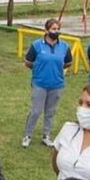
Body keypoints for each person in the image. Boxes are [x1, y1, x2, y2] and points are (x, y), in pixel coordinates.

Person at [22, 18, 73, 148]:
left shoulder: (65, 46)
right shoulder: (37, 45)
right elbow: (28, 62)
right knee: (36, 111)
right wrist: (39, 70)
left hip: (57, 84)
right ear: (46, 30)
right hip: (40, 83)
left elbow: (68, 63)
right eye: (53, 29)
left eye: (58, 29)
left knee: (50, 111)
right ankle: (27, 135)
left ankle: (47, 135)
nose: (56, 32)